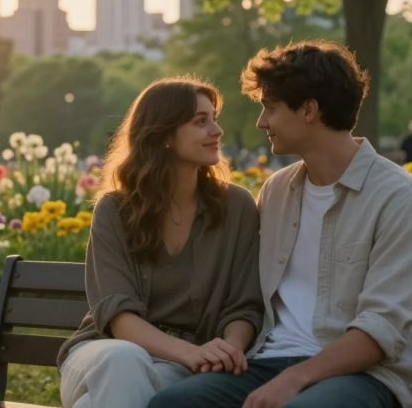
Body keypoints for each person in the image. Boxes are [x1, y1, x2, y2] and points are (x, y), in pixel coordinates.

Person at [150, 41, 412, 408]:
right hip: (266, 362)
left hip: (362, 377)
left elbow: (382, 329)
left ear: (308, 110)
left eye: (270, 108)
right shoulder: (277, 191)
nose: (261, 122)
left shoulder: (400, 200)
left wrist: (294, 379)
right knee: (174, 404)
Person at [57, 76, 264, 408]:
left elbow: (244, 304)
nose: (217, 131)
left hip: (180, 367)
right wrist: (192, 353)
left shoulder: (236, 207)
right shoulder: (114, 209)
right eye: (201, 121)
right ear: (164, 134)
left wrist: (231, 348)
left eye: (214, 118)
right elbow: (118, 317)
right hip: (101, 355)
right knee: (124, 360)